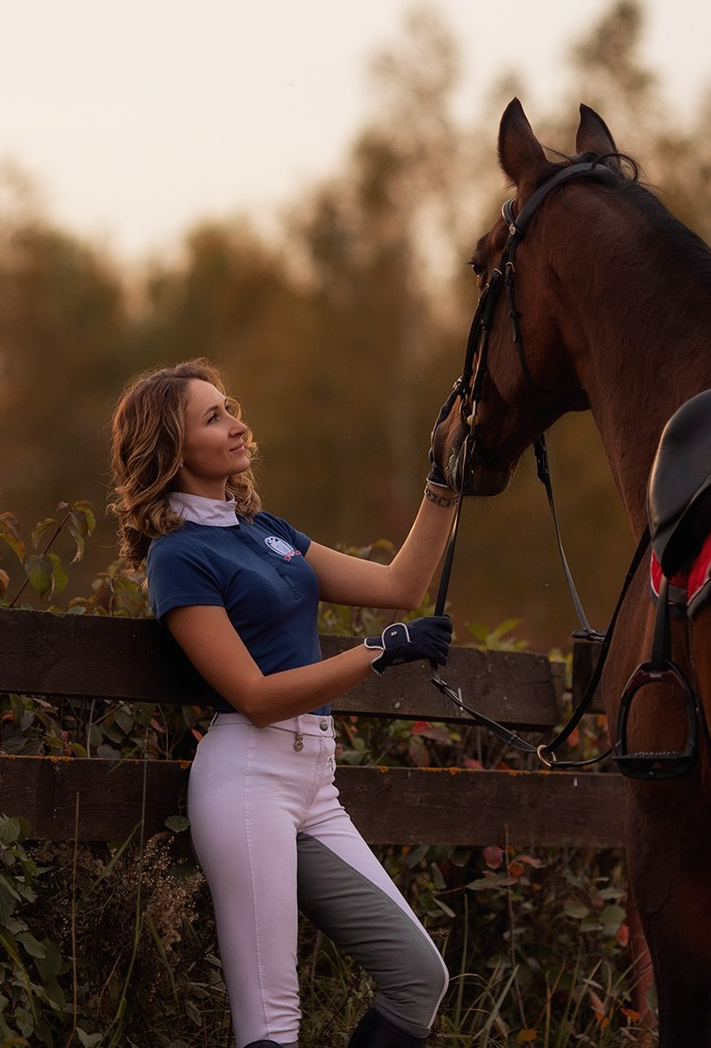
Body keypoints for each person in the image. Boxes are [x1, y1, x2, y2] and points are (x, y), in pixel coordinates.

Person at [109, 358, 458, 1048]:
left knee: (420, 977)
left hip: (312, 782)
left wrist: (443, 483)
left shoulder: (264, 530)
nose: (238, 424)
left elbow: (401, 586)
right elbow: (256, 697)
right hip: (247, 781)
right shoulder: (177, 557)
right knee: (272, 1028)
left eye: (231, 408)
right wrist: (377, 652)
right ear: (171, 449)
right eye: (215, 417)